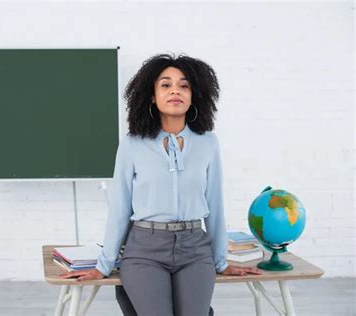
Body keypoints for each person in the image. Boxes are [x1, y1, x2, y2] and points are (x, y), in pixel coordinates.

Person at [59, 53, 262, 315]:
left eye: (184, 85)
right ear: (152, 96)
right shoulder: (133, 144)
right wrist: (104, 264)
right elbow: (120, 207)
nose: (175, 91)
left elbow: (215, 204)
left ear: (194, 95)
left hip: (194, 250)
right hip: (144, 250)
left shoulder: (208, 143)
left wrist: (221, 261)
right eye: (166, 85)